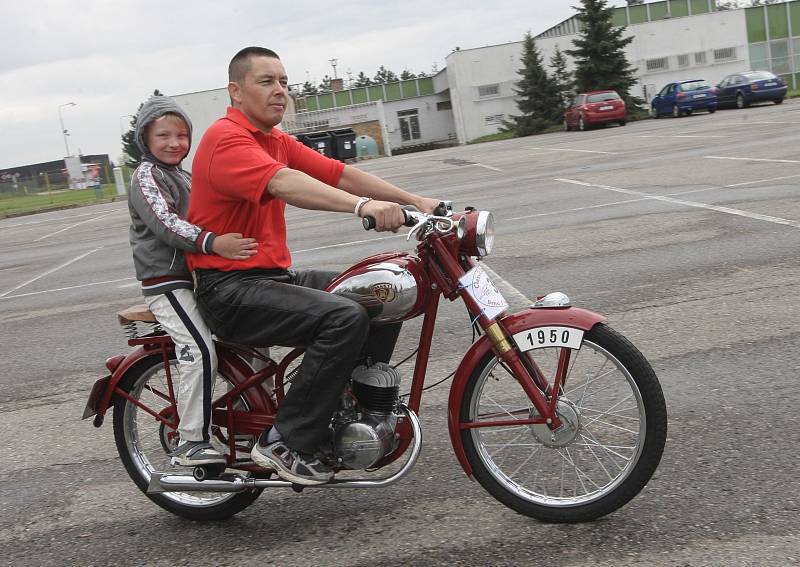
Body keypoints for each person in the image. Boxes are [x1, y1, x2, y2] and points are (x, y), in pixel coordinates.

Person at [185, 46, 442, 486]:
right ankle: (286, 440)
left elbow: (336, 173)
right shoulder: (226, 138)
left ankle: (350, 409)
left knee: (382, 291)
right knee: (342, 316)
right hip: (227, 288)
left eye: (284, 82)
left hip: (269, 277)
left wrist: (415, 201)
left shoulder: (275, 139)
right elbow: (284, 183)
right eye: (266, 82)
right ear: (236, 90)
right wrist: (363, 207)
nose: (280, 91)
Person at [128, 95, 258, 467]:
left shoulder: (185, 175)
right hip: (167, 283)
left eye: (182, 135)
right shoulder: (146, 177)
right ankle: (190, 442)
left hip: (201, 278)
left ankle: (248, 424)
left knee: (250, 336)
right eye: (164, 135)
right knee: (199, 350)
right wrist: (213, 242)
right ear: (146, 139)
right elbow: (167, 223)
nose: (174, 143)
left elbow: (212, 211)